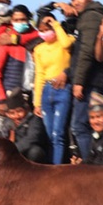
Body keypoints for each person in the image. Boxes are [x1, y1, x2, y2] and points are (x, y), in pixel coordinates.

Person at [61, 0, 103, 158]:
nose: (76, 2)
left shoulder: (91, 17)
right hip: (89, 81)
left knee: (79, 126)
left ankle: (90, 165)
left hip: (89, 82)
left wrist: (78, 82)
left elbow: (87, 52)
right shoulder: (86, 16)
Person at [33, 14, 74, 164]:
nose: (44, 32)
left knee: (58, 133)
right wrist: (36, 102)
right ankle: (51, 165)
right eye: (41, 30)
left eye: (47, 29)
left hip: (62, 89)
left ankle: (57, 168)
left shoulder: (66, 40)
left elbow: (67, 45)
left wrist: (56, 25)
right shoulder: (39, 49)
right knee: (50, 135)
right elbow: (39, 74)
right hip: (46, 90)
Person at [6, 92, 48, 163]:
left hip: (26, 152)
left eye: (19, 111)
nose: (16, 116)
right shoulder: (6, 122)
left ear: (26, 109)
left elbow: (32, 138)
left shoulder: (34, 120)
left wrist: (12, 150)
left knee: (35, 152)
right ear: (7, 114)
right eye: (12, 113)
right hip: (11, 153)